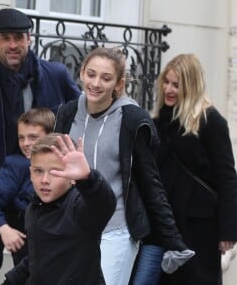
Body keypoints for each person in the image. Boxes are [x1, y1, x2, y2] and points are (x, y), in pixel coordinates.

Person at [0, 8, 80, 285]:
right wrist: (0, 183)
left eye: (19, 37)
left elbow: (83, 117)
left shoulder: (56, 74)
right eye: (5, 38)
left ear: (29, 38)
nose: (13, 45)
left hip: (44, 197)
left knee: (38, 274)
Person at [54, 47, 193, 285]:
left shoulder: (131, 119)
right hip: (73, 226)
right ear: (81, 73)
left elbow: (150, 182)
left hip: (116, 229)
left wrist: (172, 239)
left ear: (119, 83)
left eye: (106, 78)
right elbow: (54, 169)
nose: (96, 83)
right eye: (91, 74)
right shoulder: (67, 113)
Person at [152, 53, 237, 285]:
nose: (169, 89)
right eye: (166, 82)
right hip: (165, 220)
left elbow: (227, 177)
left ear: (190, 86)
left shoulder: (210, 120)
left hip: (199, 223)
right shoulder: (158, 121)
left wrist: (228, 231)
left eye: (176, 85)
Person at [1, 133, 116, 285]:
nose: (45, 180)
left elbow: (103, 204)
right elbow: (37, 257)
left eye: (55, 172)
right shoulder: (33, 208)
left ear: (71, 175)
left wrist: (88, 179)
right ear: (30, 173)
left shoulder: (79, 207)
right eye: (38, 171)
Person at [0, 107, 55, 266]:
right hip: (28, 251)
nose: (26, 143)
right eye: (21, 137)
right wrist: (3, 228)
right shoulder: (16, 165)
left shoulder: (66, 163)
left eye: (33, 137)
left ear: (51, 135)